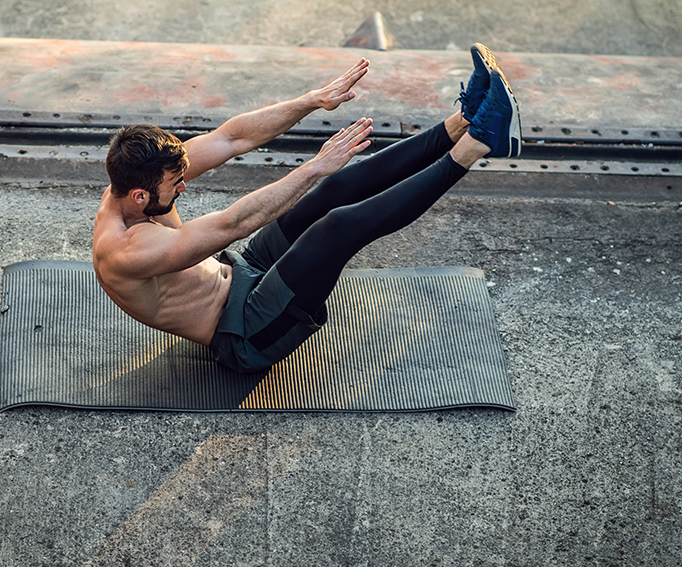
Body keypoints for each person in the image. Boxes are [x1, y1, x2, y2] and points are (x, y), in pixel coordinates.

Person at [92, 44, 520, 373]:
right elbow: (234, 223)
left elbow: (231, 138)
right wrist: (313, 165)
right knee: (335, 227)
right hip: (245, 328)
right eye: (176, 185)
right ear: (141, 199)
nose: (184, 185)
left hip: (243, 272)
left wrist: (311, 100)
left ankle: (463, 120)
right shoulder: (126, 250)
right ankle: (479, 144)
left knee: (329, 194)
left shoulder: (139, 175)